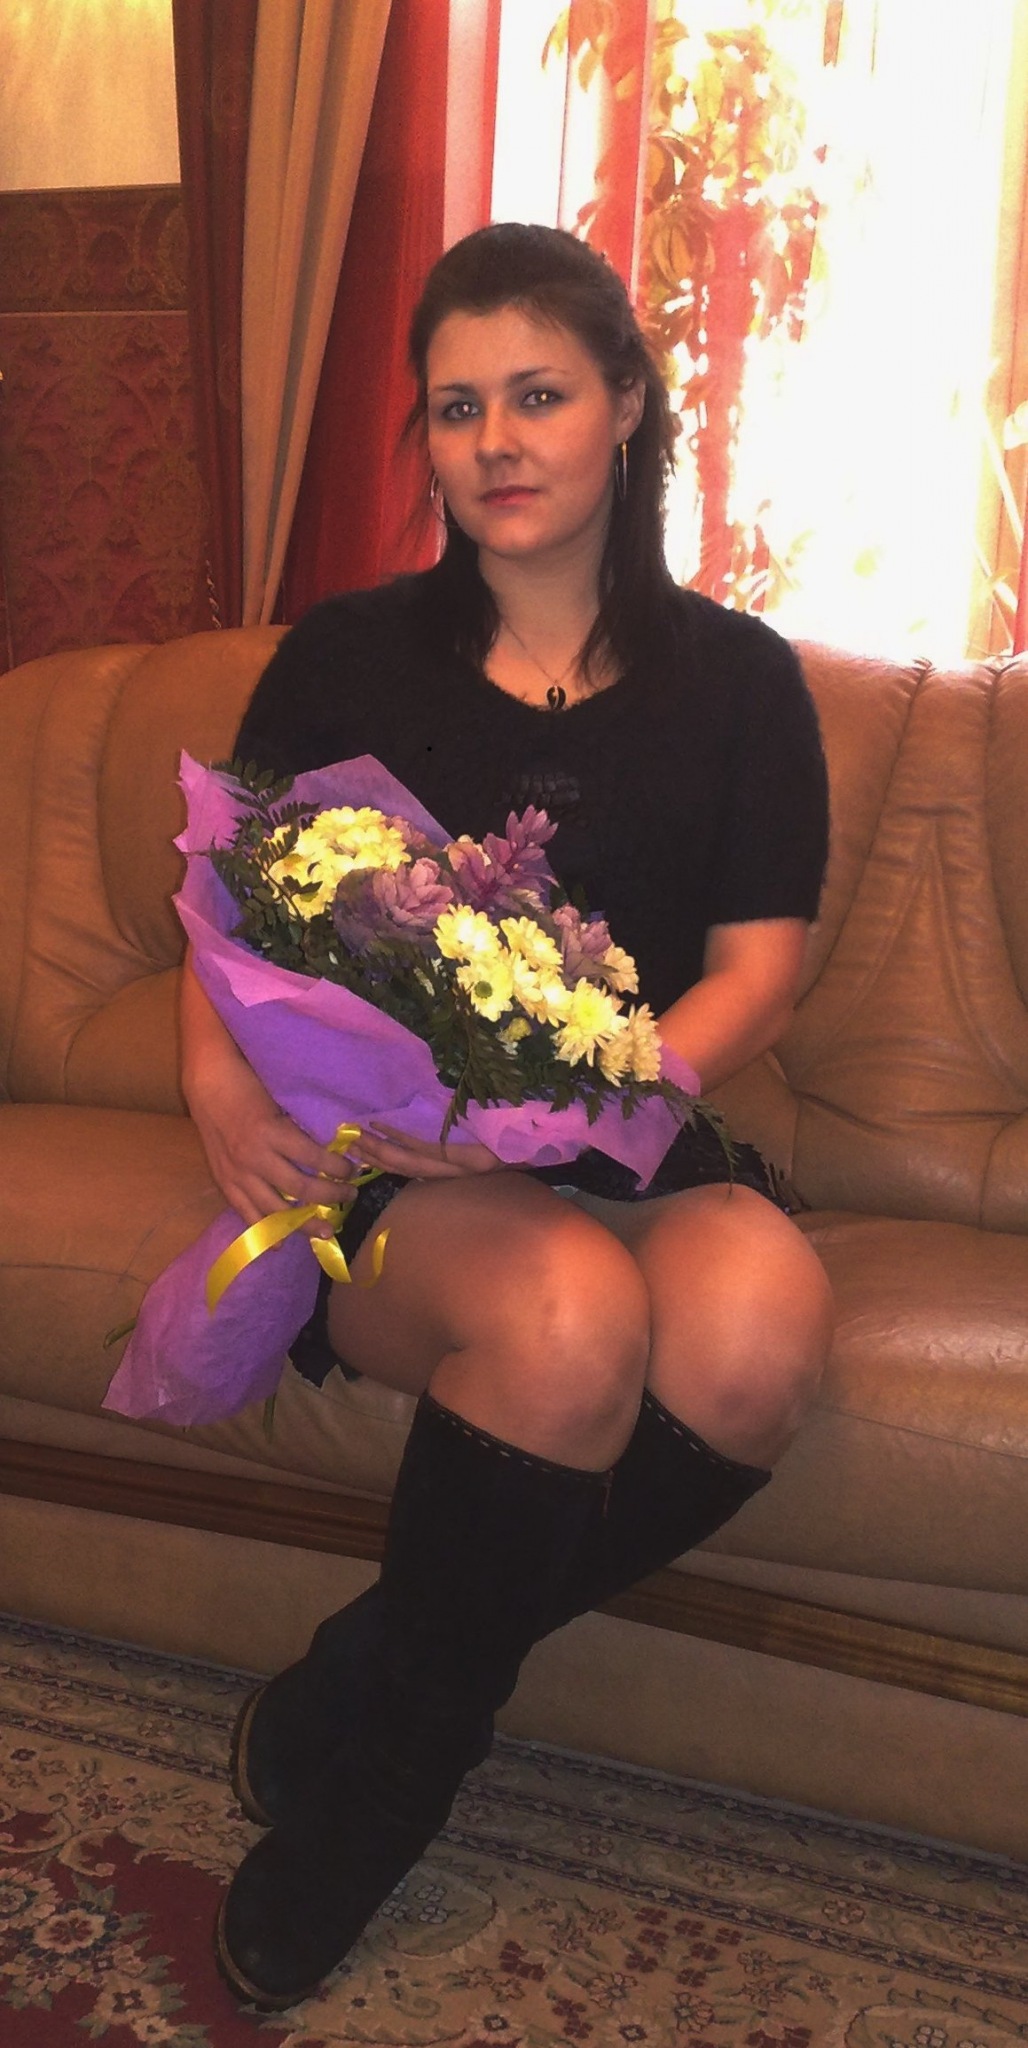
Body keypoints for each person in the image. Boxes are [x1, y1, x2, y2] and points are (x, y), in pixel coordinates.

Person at [185, 222, 834, 2010]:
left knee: (762, 1335)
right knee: (568, 1318)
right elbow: (224, 899)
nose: (496, 442)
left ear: (625, 404)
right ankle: (384, 1798)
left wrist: (581, 1102)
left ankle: (367, 1671)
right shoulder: (347, 655)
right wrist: (215, 1080)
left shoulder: (743, 683)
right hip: (398, 1164)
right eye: (457, 408)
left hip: (635, 1129)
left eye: (537, 395)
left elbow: (756, 977)